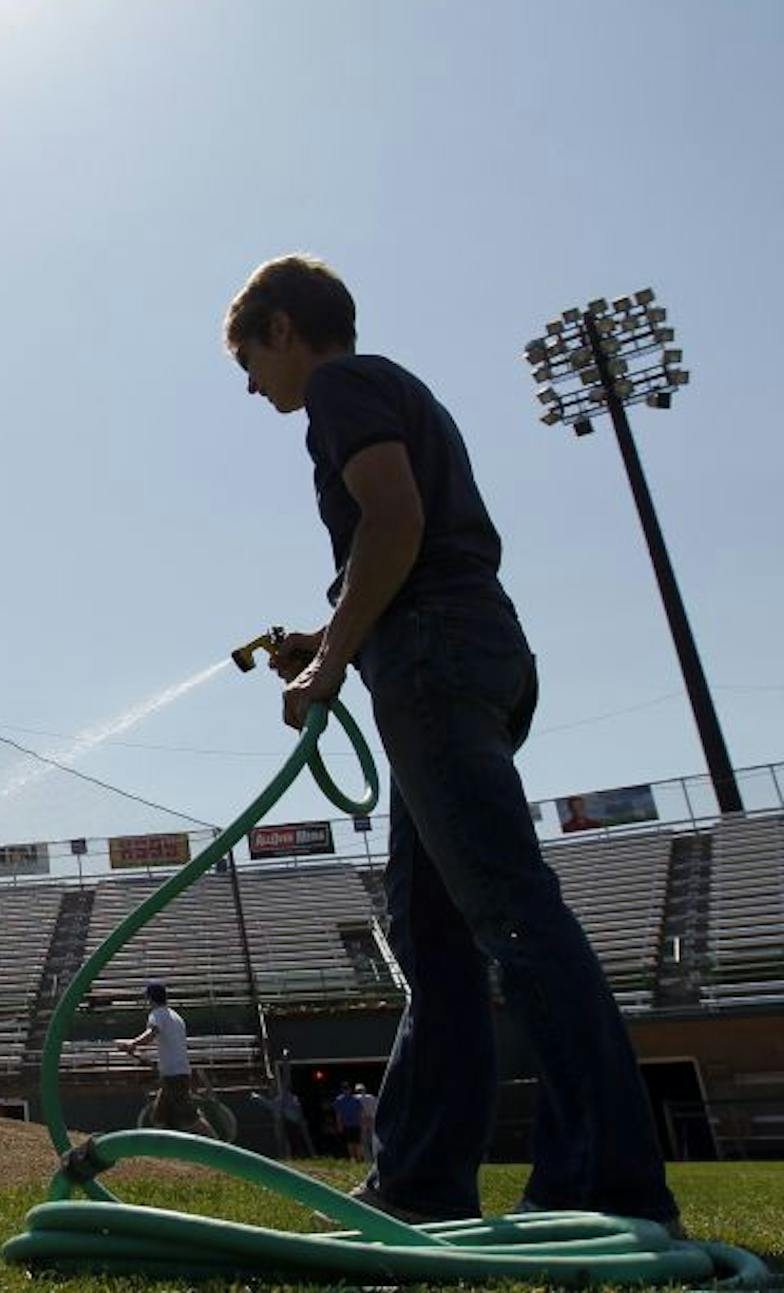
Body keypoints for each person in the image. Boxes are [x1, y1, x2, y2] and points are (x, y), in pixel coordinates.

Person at [224, 255, 680, 1232]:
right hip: (465, 649)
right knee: (434, 940)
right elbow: (397, 541)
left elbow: (395, 520)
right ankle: (420, 1181)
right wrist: (330, 630)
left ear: (284, 331)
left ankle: (609, 1184)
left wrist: (329, 662)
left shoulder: (342, 386)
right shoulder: (392, 387)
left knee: (513, 918)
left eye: (249, 358)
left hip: (432, 660)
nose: (250, 381)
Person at [115, 981, 215, 1136]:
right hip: (175, 1073)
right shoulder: (175, 1016)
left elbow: (152, 1033)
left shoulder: (157, 1015)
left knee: (190, 1118)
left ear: (150, 998)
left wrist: (132, 1044)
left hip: (174, 1075)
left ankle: (216, 1145)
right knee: (159, 1116)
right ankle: (162, 1153)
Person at [333, 1082, 364, 1160]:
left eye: (347, 1089)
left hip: (355, 1123)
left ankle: (357, 1158)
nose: (346, 1090)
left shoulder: (354, 1099)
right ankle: (354, 1158)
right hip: (348, 1124)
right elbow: (338, 1113)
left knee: (356, 1142)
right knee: (351, 1142)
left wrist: (362, 1123)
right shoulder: (340, 1100)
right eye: (345, 1089)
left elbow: (360, 1112)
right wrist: (339, 1124)